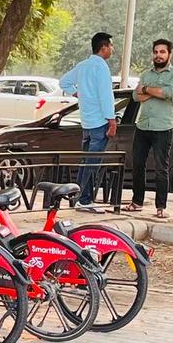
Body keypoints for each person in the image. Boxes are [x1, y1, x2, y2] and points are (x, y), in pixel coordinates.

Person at [60, 32, 118, 212]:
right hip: (100, 122)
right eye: (111, 46)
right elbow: (105, 95)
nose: (112, 49)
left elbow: (64, 83)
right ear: (104, 47)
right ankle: (83, 199)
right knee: (93, 162)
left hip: (86, 121)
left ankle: (81, 197)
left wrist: (79, 94)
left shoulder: (83, 66)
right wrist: (112, 120)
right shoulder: (101, 67)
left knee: (86, 160)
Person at [128, 38, 173, 219]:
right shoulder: (146, 74)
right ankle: (137, 202)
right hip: (143, 124)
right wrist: (153, 91)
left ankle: (161, 206)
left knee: (161, 167)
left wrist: (146, 90)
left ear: (170, 54)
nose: (158, 55)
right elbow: (135, 97)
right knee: (137, 164)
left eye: (162, 52)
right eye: (156, 52)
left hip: (163, 126)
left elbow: (168, 93)